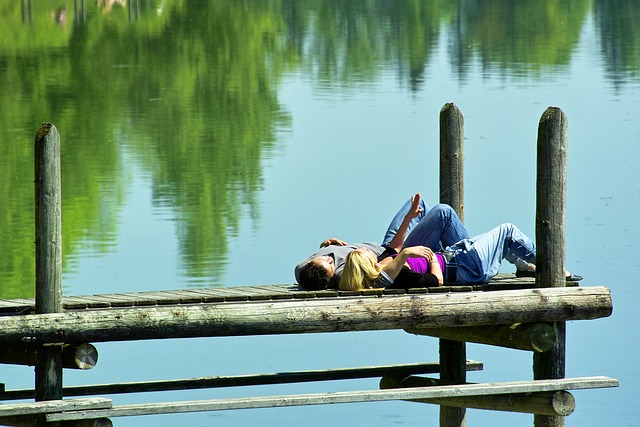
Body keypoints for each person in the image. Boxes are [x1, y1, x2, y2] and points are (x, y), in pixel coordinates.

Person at [339, 207, 582, 291]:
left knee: (495, 240)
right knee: (507, 231)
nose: (365, 248)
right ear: (366, 264)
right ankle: (553, 267)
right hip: (465, 267)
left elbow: (394, 247)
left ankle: (525, 266)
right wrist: (427, 256)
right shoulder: (394, 272)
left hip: (457, 257)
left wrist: (409, 223)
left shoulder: (382, 267)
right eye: (363, 252)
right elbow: (436, 282)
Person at [295, 193, 469, 290]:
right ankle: (466, 258)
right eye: (329, 264)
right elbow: (376, 279)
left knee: (417, 205)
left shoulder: (302, 269)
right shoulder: (343, 276)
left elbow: (312, 270)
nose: (330, 257)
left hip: (385, 246)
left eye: (324, 257)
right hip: (392, 254)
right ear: (328, 280)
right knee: (442, 213)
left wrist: (324, 245)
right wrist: (400, 256)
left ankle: (444, 253)